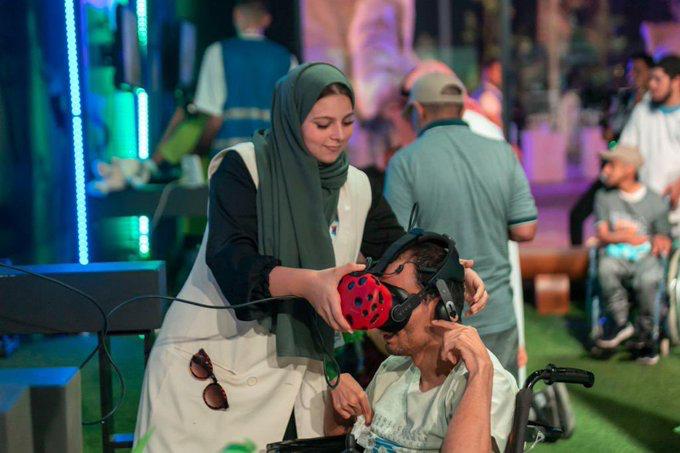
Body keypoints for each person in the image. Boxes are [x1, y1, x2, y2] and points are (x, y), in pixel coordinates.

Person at [134, 63, 488, 452]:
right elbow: (232, 262)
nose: (338, 136)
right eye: (322, 124)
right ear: (291, 117)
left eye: (348, 121)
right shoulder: (243, 169)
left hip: (291, 379)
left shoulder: (357, 187)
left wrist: (451, 270)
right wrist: (309, 284)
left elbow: (400, 251)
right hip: (211, 369)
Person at [384, 73, 537, 378]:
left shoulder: (405, 162)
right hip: (496, 313)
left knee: (445, 421)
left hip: (437, 321)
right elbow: (525, 229)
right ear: (460, 108)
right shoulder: (502, 152)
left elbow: (394, 246)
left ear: (420, 111)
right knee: (498, 415)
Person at [324, 239, 517, 452]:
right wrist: (338, 408)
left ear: (443, 307)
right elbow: (345, 444)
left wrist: (480, 372)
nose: (381, 315)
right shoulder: (393, 368)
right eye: (381, 299)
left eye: (395, 301)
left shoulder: (487, 382)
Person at [152, 0, 295, 165]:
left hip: (231, 161)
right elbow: (291, 118)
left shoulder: (218, 52)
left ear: (236, 15)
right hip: (273, 161)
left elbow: (214, 118)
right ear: (267, 20)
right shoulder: (286, 58)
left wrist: (198, 152)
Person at [594, 145, 672, 365]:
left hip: (645, 257)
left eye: (612, 165)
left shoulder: (655, 201)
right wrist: (626, 238)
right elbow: (603, 235)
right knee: (606, 268)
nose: (606, 170)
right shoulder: (604, 197)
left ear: (629, 169)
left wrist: (659, 240)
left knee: (649, 279)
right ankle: (620, 323)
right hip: (616, 256)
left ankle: (648, 332)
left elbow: (663, 236)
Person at [569, 53, 654, 246]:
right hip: (614, 168)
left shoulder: (653, 105)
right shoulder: (624, 98)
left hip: (636, 175)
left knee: (633, 226)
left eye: (639, 71)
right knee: (579, 215)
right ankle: (578, 272)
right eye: (632, 71)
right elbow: (611, 129)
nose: (634, 76)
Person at [619, 55, 680, 238]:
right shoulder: (642, 112)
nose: (651, 84)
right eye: (651, 78)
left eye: (658, 80)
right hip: (648, 213)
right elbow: (625, 152)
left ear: (676, 81)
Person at [472, 58, 504, 127]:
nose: (501, 75)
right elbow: (496, 123)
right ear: (489, 72)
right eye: (498, 71)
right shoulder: (487, 97)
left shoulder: (495, 93)